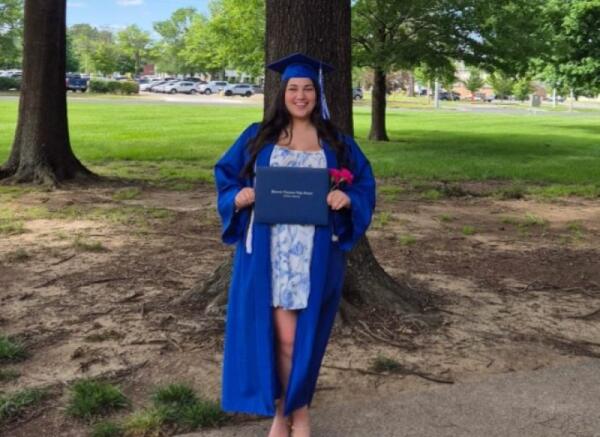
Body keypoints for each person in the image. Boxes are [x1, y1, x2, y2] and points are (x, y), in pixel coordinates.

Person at [214, 53, 376, 437]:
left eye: (307, 89)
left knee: (306, 338)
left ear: (318, 95)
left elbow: (364, 185)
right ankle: (285, 414)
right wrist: (237, 197)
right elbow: (226, 175)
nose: (300, 96)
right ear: (282, 93)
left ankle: (295, 413)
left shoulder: (336, 143)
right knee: (284, 339)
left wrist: (347, 199)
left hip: (315, 251)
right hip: (269, 251)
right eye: (293, 89)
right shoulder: (258, 136)